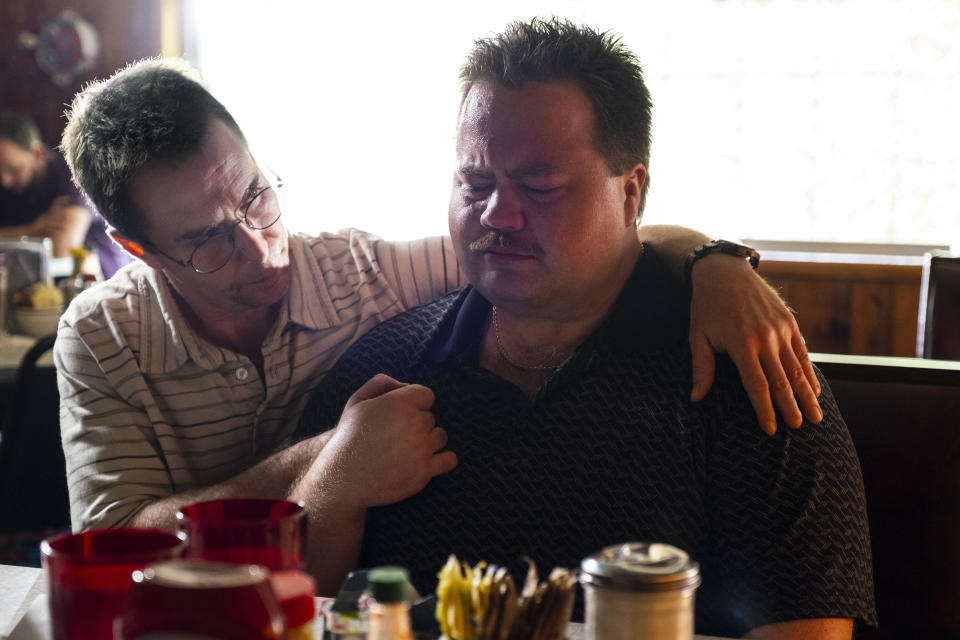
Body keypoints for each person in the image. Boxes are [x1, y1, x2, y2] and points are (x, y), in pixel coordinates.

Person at [56, 58, 818, 538]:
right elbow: (115, 540)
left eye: (256, 196)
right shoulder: (103, 338)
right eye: (208, 240)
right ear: (138, 249)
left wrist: (715, 263)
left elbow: (563, 246)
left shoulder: (364, 274)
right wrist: (331, 457)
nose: (259, 246)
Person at [293, 18, 876, 638]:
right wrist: (334, 488)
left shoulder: (745, 377)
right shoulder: (387, 367)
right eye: (476, 181)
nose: (497, 213)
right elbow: (299, 609)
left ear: (632, 192)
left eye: (540, 186)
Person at [0, 112, 130, 277]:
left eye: (15, 169)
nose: (5, 181)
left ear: (37, 153)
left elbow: (60, 250)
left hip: (101, 283)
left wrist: (12, 235)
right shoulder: (8, 184)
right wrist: (35, 228)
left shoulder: (73, 175)